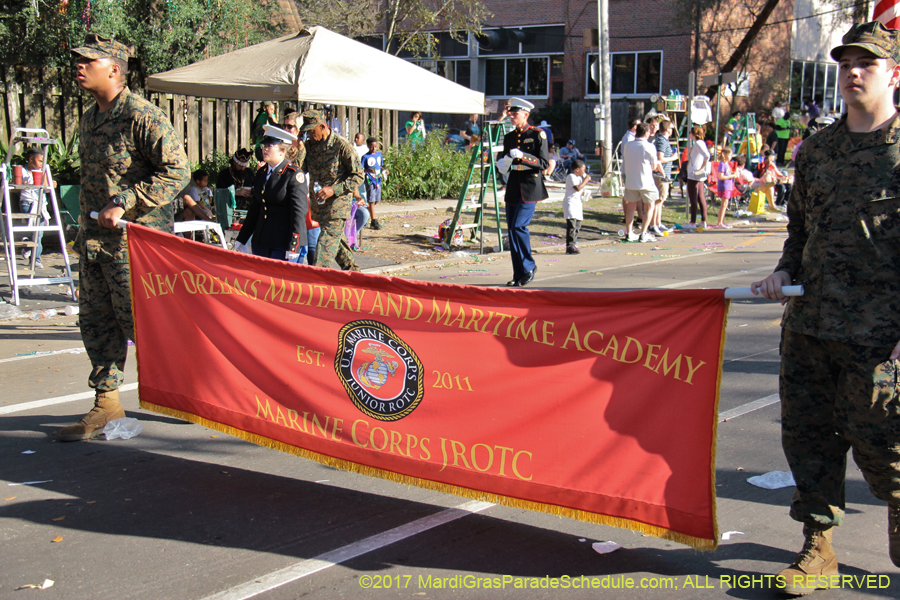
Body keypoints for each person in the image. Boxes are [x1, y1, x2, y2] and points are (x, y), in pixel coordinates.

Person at [750, 21, 900, 596]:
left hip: (879, 336)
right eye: (845, 64)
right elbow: (800, 231)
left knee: (886, 446)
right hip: (809, 327)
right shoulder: (816, 151)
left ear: (893, 74)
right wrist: (783, 273)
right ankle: (818, 547)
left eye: (867, 63)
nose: (853, 72)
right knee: (809, 439)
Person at [60, 34, 189, 441]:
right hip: (95, 245)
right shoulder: (89, 119)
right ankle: (106, 403)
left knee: (147, 326)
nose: (79, 66)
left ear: (114, 68)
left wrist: (125, 201)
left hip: (135, 246)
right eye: (78, 60)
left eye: (88, 60)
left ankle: (194, 386)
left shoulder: (142, 116)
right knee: (97, 323)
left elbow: (177, 171)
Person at [299, 109, 363, 271]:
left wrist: (334, 189)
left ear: (322, 127)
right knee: (336, 242)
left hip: (337, 206)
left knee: (324, 249)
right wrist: (299, 148)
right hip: (319, 206)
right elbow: (299, 170)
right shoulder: (310, 146)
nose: (309, 135)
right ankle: (354, 274)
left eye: (312, 131)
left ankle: (317, 280)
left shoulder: (342, 146)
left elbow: (358, 175)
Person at [233, 125, 308, 261]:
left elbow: (298, 212)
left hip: (283, 242)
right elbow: (255, 208)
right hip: (262, 241)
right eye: (264, 146)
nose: (265, 149)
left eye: (269, 146)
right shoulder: (262, 173)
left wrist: (294, 245)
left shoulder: (292, 175)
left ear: (282, 151)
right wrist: (242, 238)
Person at [495, 97, 548, 287]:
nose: (511, 116)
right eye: (510, 114)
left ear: (525, 115)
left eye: (515, 114)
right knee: (512, 230)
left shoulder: (537, 134)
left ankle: (529, 266)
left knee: (519, 226)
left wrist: (524, 156)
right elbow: (503, 162)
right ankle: (518, 273)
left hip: (530, 187)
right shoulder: (509, 137)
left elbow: (543, 163)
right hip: (513, 186)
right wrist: (503, 163)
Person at [622, 122, 661, 242]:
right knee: (649, 206)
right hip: (646, 181)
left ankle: (629, 232)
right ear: (645, 132)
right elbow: (654, 166)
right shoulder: (649, 146)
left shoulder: (628, 145)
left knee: (630, 207)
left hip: (631, 180)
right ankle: (644, 233)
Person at [18, 147, 49, 269]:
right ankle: (34, 256)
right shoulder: (22, 171)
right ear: (31, 159)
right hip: (28, 202)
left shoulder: (43, 171)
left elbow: (47, 188)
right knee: (36, 232)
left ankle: (30, 250)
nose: (42, 163)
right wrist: (23, 184)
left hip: (40, 204)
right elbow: (15, 187)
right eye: (40, 161)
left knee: (38, 232)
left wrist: (50, 183)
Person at [651, 119, 678, 236]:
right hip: (661, 175)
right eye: (671, 128)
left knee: (661, 200)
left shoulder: (663, 140)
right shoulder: (662, 141)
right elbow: (659, 159)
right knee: (658, 201)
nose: (672, 130)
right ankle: (653, 225)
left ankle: (658, 222)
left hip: (663, 174)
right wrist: (673, 158)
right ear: (667, 129)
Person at [684, 125, 710, 230]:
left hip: (694, 174)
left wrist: (701, 167)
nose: (689, 134)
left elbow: (707, 156)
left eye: (690, 132)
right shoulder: (700, 143)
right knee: (700, 197)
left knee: (693, 197)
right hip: (697, 174)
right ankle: (703, 220)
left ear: (694, 134)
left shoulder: (698, 143)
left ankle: (693, 222)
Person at [563, 159, 590, 254]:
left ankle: (573, 243)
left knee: (578, 225)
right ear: (577, 169)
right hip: (570, 203)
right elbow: (577, 188)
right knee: (572, 225)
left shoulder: (579, 178)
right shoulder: (571, 176)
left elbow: (579, 190)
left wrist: (586, 194)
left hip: (578, 204)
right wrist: (586, 180)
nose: (584, 172)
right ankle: (570, 246)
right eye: (583, 169)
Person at [361, 137, 387, 230]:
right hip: (370, 180)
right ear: (368, 146)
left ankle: (365, 210)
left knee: (376, 200)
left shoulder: (379, 155)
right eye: (372, 146)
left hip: (378, 180)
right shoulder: (365, 157)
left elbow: (380, 166)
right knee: (371, 200)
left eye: (375, 146)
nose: (374, 148)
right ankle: (373, 221)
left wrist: (384, 170)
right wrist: (369, 170)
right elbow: (360, 169)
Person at [714, 147, 737, 228]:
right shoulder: (722, 164)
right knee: (723, 204)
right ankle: (719, 222)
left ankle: (722, 221)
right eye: (729, 155)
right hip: (724, 186)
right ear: (725, 154)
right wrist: (732, 176)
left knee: (725, 204)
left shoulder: (727, 164)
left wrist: (733, 174)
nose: (731, 157)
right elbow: (721, 177)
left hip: (728, 186)